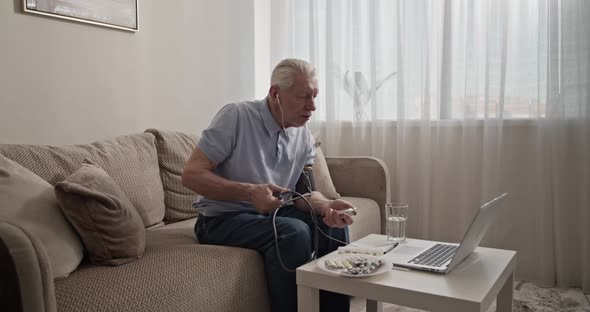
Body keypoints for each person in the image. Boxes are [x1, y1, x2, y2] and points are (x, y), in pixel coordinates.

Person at [181, 58, 354, 312]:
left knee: (334, 227)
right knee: (294, 232)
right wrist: (249, 192)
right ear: (276, 93)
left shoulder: (303, 134)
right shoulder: (236, 116)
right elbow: (191, 174)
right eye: (304, 97)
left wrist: (326, 206)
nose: (313, 106)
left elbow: (303, 193)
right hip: (222, 219)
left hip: (274, 214)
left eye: (315, 96)